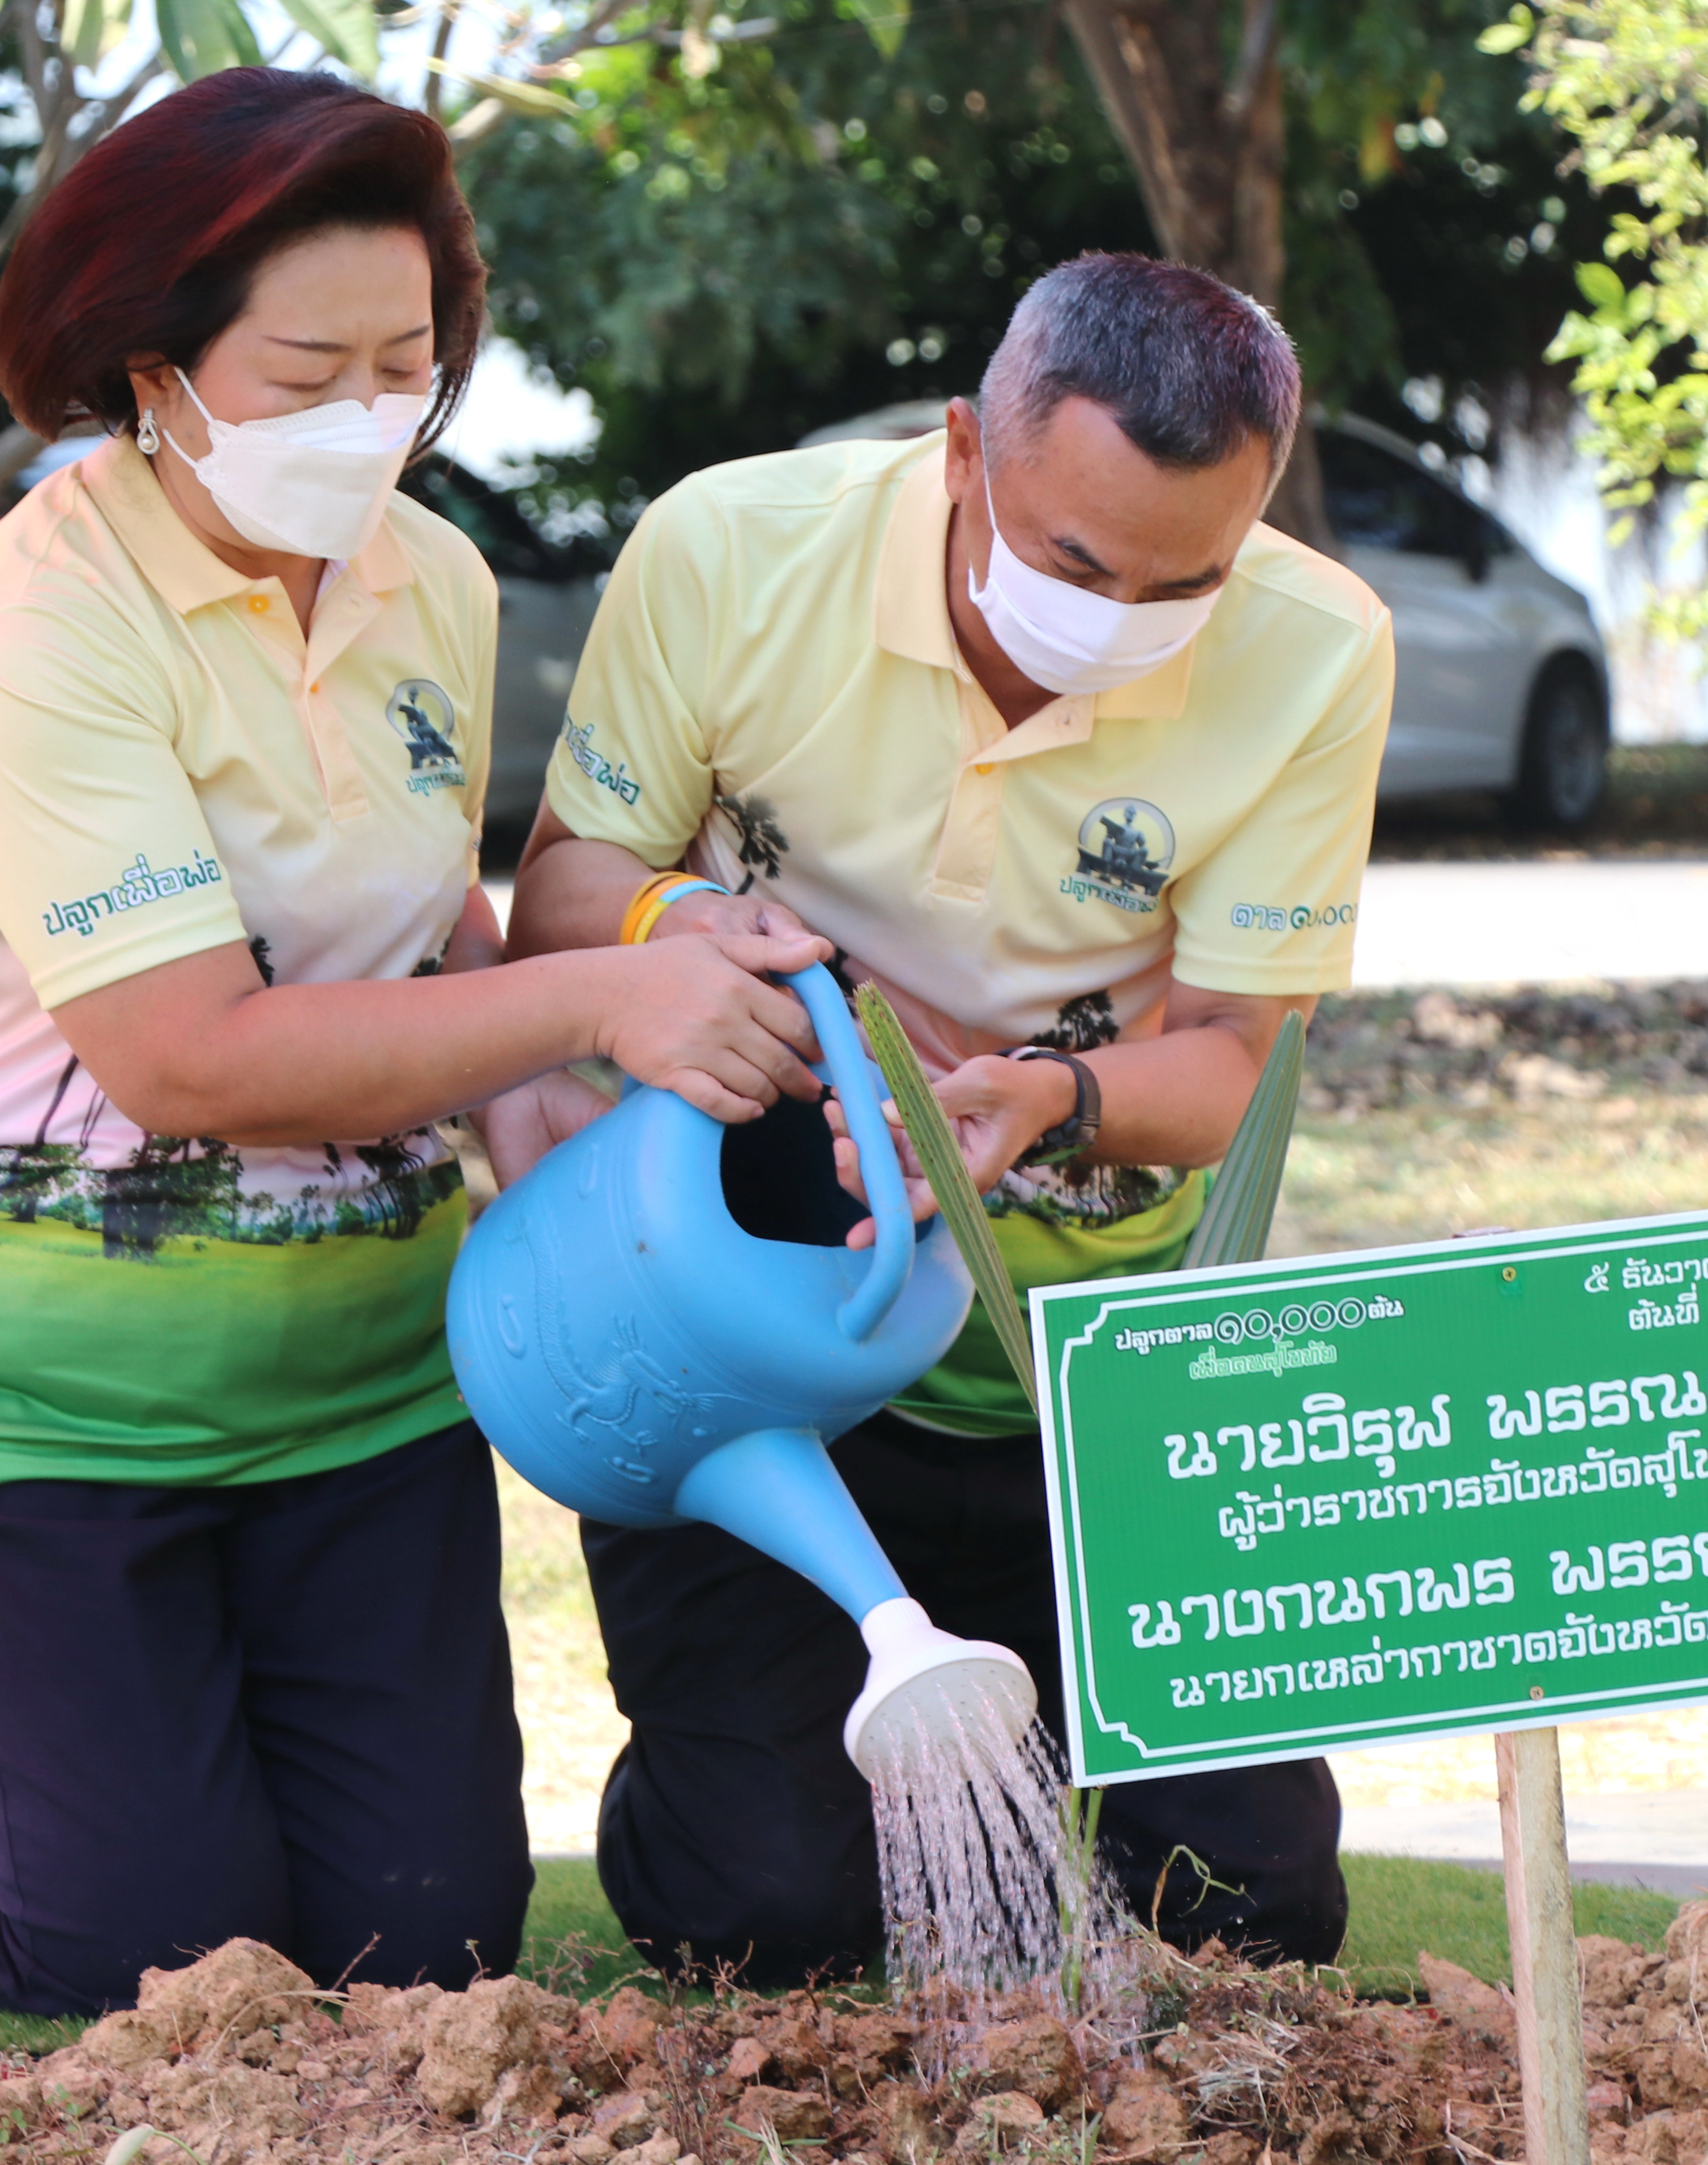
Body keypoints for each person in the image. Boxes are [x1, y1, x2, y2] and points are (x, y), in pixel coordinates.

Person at [0, 67, 830, 2018]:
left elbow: (421, 906)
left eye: (407, 363)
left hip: (364, 1372)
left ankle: (124, 1782)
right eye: (304, 372)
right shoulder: (43, 620)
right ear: (149, 364)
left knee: (427, 1945)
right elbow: (186, 1055)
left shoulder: (430, 579)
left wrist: (557, 1061)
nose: (366, 417)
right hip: (33, 1393)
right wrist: (602, 991)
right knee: (143, 1956)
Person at [503, 253, 1390, 1982]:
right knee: (771, 1919)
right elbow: (560, 892)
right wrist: (689, 936)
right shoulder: (728, 548)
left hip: (1084, 1360)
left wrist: (1037, 1107)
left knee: (1252, 1918)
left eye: (1185, 581)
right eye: (1076, 560)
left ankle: (1034, 1714)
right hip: (766, 1336)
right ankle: (752, 1744)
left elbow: (1220, 1068)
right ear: (965, 451)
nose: (1120, 616)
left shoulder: (1318, 647)